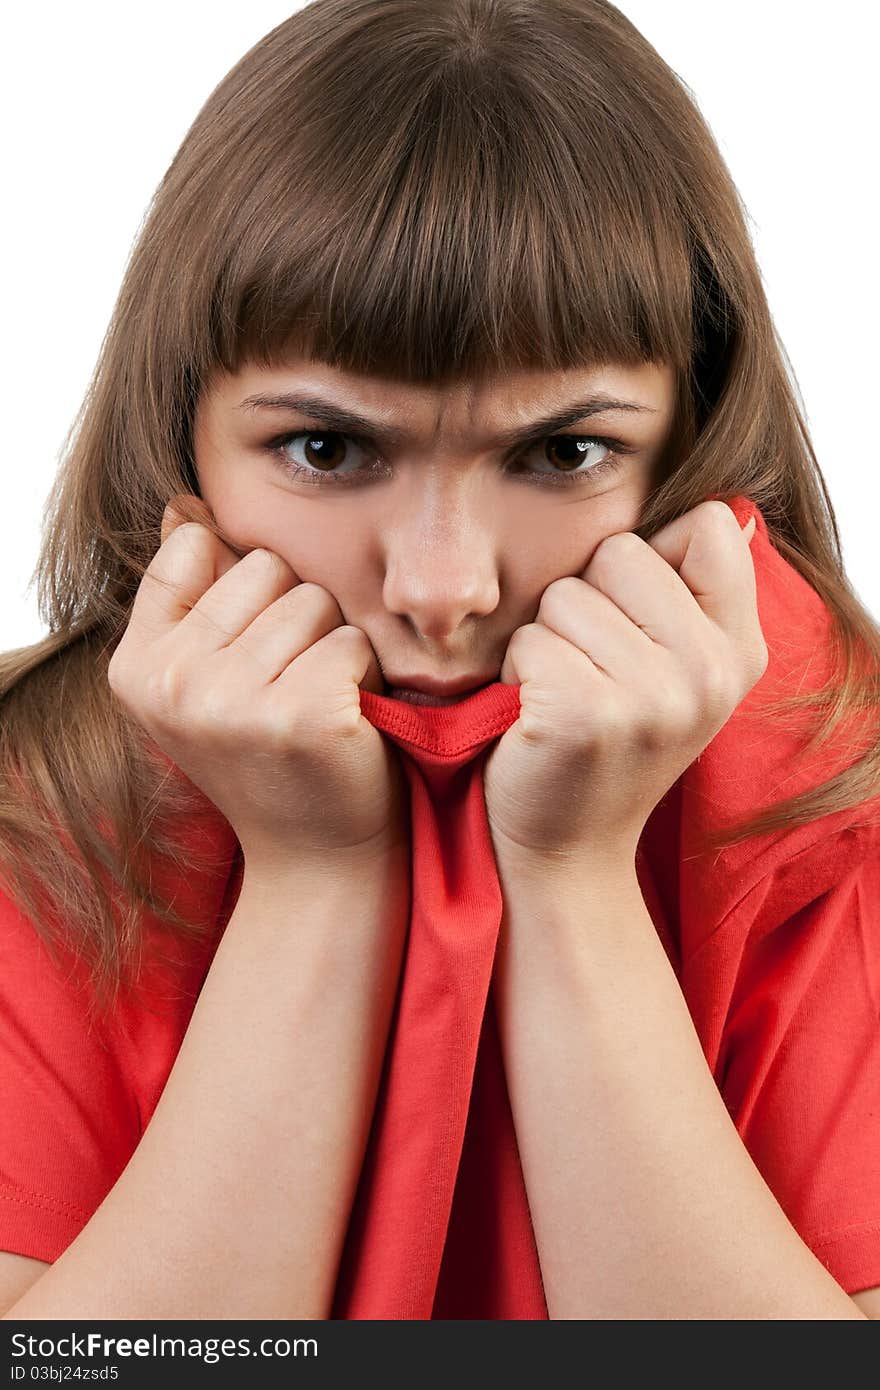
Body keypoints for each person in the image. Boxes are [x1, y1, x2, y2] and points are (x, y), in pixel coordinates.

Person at [0, 0, 878, 1321]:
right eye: (327, 449)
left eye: (561, 453)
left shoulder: (842, 803)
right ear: (177, 442)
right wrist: (317, 875)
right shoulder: (30, 807)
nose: (444, 588)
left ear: (689, 455)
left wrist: (574, 877)